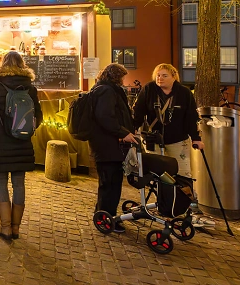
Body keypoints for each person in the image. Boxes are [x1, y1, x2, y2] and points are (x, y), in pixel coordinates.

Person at [132, 63, 213, 227]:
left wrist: (196, 138)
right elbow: (139, 112)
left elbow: (190, 117)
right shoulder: (149, 90)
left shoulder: (183, 93)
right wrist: (132, 129)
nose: (160, 79)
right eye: (157, 75)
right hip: (154, 140)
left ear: (174, 76)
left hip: (178, 140)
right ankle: (163, 204)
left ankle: (182, 205)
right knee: (158, 174)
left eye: (164, 75)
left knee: (182, 174)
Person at [0, 51, 43, 240]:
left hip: (1, 142)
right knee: (19, 183)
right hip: (23, 142)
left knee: (1, 181)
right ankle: (16, 227)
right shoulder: (30, 88)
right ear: (22, 64)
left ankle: (5, 227)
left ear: (4, 64)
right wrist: (25, 131)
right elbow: (38, 116)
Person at [89, 63, 136, 233]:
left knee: (110, 183)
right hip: (107, 145)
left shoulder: (104, 89)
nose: (124, 81)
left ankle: (104, 215)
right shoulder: (106, 91)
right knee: (110, 184)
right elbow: (105, 116)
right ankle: (105, 218)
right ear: (117, 77)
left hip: (108, 145)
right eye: (123, 77)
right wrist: (122, 132)